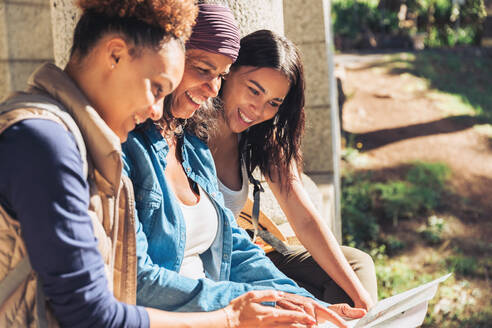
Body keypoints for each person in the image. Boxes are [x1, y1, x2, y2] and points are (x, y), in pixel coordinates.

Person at [0, 1, 324, 327]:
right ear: (115, 55)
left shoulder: (88, 142)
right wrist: (230, 318)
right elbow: (94, 313)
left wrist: (300, 306)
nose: (157, 111)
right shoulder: (44, 140)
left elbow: (230, 247)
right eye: (156, 88)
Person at [122, 4, 366, 327]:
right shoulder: (129, 149)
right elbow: (138, 281)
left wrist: (303, 304)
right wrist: (240, 306)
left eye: (219, 76)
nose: (212, 89)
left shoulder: (193, 147)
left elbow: (236, 246)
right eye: (202, 69)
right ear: (169, 60)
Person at [188, 29, 378, 310]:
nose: (258, 110)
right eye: (254, 90)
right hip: (209, 269)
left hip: (246, 252)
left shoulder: (262, 137)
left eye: (273, 103)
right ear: (228, 72)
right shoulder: (187, 125)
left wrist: (363, 300)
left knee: (356, 267)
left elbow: (305, 218)